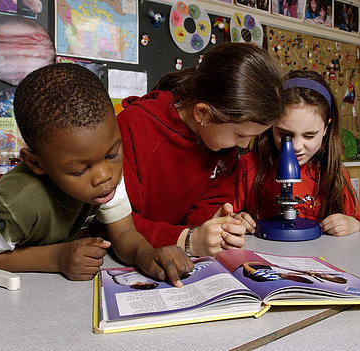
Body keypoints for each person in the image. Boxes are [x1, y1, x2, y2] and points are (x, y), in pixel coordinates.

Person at [0, 63, 193, 285]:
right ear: (35, 163)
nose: (104, 176)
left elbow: (123, 231)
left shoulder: (103, 172)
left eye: (113, 154)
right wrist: (57, 258)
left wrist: (145, 254)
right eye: (79, 170)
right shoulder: (16, 204)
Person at [116, 42, 283, 257]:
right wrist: (187, 240)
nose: (243, 146)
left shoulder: (223, 148)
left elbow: (209, 207)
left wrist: (219, 227)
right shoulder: (134, 126)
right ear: (202, 113)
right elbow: (116, 224)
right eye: (241, 135)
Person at [235, 69, 360, 237]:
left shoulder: (333, 172)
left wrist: (350, 224)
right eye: (284, 134)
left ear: (326, 128)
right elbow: (226, 216)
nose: (295, 146)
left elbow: (357, 222)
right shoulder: (248, 165)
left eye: (309, 135)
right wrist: (236, 220)